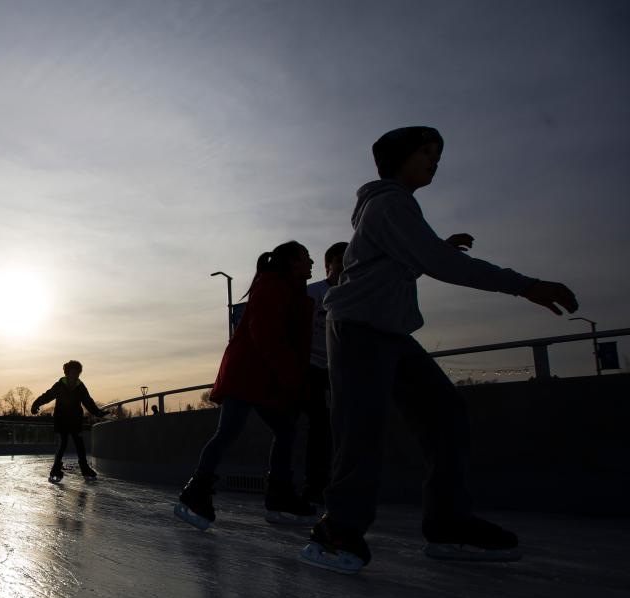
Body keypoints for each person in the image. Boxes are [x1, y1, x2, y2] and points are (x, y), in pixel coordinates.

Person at [301, 126, 578, 574]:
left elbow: (406, 263)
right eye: (426, 152)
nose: (435, 160)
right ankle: (339, 527)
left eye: (438, 154)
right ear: (399, 158)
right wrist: (525, 285)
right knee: (361, 429)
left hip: (390, 332)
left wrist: (434, 251)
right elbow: (441, 264)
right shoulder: (390, 202)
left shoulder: (395, 208)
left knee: (446, 414)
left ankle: (449, 522)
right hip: (357, 330)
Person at [174, 241, 316, 530]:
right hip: (248, 375)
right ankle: (196, 491)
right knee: (229, 432)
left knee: (285, 430)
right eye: (306, 258)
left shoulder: (291, 290)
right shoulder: (273, 286)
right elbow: (267, 336)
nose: (311, 263)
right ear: (292, 262)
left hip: (265, 377)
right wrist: (292, 380)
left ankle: (279, 494)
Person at [300, 241, 346, 507]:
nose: (344, 268)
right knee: (318, 426)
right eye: (339, 262)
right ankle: (313, 486)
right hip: (310, 367)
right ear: (328, 266)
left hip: (339, 367)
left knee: (340, 427)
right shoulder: (312, 293)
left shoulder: (358, 292)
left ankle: (336, 484)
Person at [31, 360, 106, 481]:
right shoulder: (60, 385)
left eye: (78, 372)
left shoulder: (80, 386)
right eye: (73, 372)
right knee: (63, 442)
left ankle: (85, 468)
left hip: (75, 419)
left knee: (79, 444)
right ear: (67, 372)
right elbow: (48, 395)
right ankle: (56, 468)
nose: (76, 374)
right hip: (61, 418)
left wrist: (99, 412)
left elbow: (88, 401)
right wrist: (35, 404)